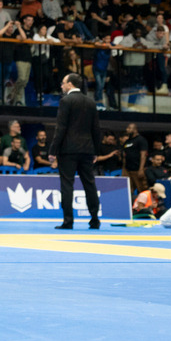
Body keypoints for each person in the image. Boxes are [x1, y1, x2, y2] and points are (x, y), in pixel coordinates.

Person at [48, 73, 102, 229]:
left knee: (67, 184)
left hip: (68, 150)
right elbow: (96, 129)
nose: (61, 86)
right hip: (87, 149)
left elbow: (61, 128)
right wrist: (96, 151)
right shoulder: (91, 102)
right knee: (90, 184)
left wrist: (53, 150)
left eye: (63, 83)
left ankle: (68, 220)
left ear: (70, 84)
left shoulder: (66, 101)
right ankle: (94, 219)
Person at [121, 123, 149, 198]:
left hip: (137, 169)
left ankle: (145, 208)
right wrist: (124, 170)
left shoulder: (141, 140)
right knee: (128, 190)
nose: (127, 129)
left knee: (142, 190)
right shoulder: (127, 142)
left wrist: (141, 169)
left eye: (129, 128)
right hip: (128, 169)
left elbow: (143, 155)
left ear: (135, 129)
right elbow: (124, 156)